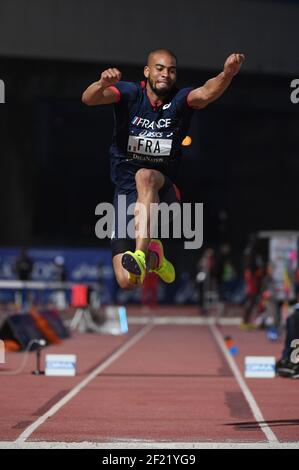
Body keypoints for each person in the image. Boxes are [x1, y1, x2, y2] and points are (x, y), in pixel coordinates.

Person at [82, 49, 244, 289]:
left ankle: (140, 253)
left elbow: (207, 92)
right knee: (127, 281)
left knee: (144, 175)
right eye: (159, 68)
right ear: (147, 71)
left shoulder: (180, 100)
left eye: (171, 70)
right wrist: (101, 83)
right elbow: (89, 98)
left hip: (163, 192)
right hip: (125, 196)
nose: (165, 74)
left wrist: (227, 74)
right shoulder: (130, 94)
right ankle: (154, 257)